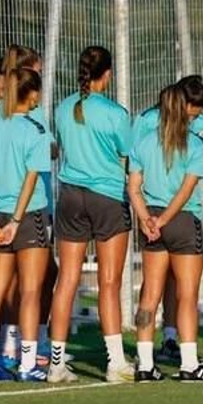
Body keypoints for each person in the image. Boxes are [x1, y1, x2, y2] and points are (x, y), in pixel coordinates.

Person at [48, 45, 134, 384]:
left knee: (66, 280)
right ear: (108, 74)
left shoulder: (61, 108)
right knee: (109, 283)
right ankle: (115, 363)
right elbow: (126, 152)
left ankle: (55, 365)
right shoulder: (115, 113)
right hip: (107, 197)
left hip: (69, 196)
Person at [128, 77, 203, 382]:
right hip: (179, 220)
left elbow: (133, 188)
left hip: (151, 221)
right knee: (188, 295)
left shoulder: (142, 142)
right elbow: (186, 190)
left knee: (149, 295)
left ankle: (144, 364)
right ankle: (189, 364)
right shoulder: (194, 144)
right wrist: (164, 220)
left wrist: (146, 220)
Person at [0, 69, 53, 382]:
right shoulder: (35, 131)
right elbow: (31, 180)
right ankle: (27, 363)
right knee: (31, 291)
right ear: (32, 95)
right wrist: (17, 221)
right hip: (28, 216)